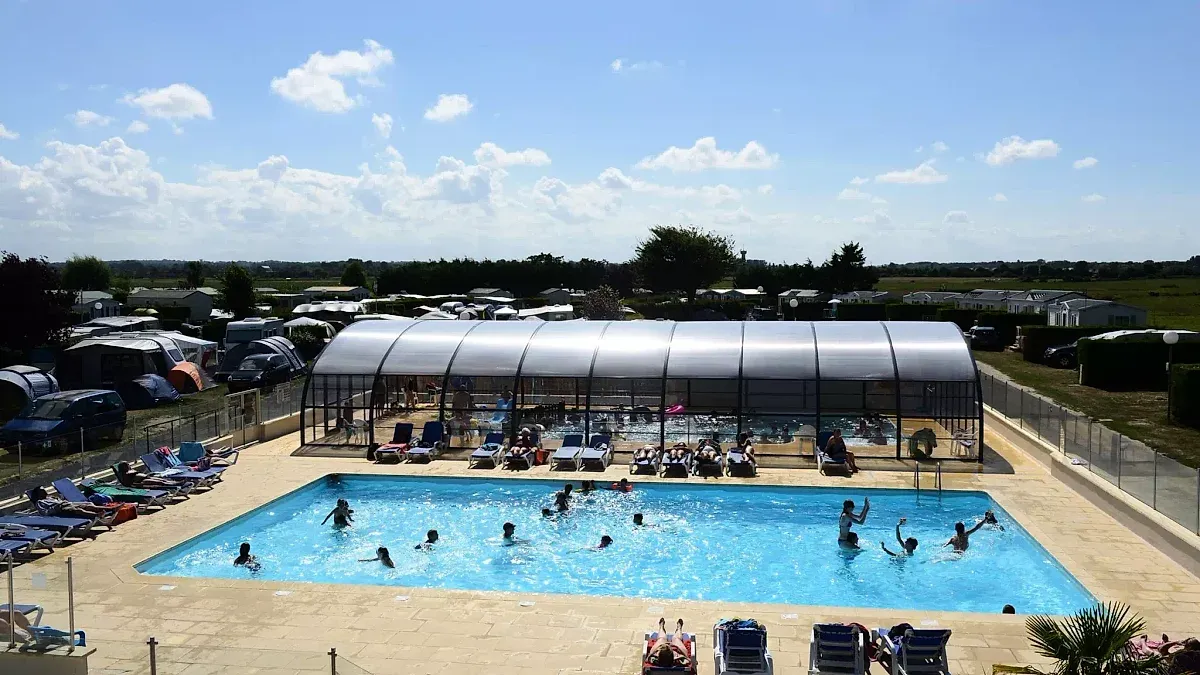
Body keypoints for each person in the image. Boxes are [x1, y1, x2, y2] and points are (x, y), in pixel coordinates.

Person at [28, 486, 114, 521]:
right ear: (38, 494)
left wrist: (59, 499)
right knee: (79, 510)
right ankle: (96, 515)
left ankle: (111, 509)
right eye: (42, 491)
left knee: (89, 505)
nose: (45, 492)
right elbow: (44, 513)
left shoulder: (50, 497)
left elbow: (61, 500)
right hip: (60, 509)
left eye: (44, 490)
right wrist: (56, 508)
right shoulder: (40, 502)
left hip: (66, 503)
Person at [114, 460, 191, 490]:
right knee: (161, 483)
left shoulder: (129, 471)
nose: (129, 465)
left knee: (162, 480)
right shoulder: (124, 474)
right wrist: (139, 485)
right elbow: (129, 483)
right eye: (127, 464)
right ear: (123, 467)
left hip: (145, 477)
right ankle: (176, 484)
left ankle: (176, 483)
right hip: (141, 482)